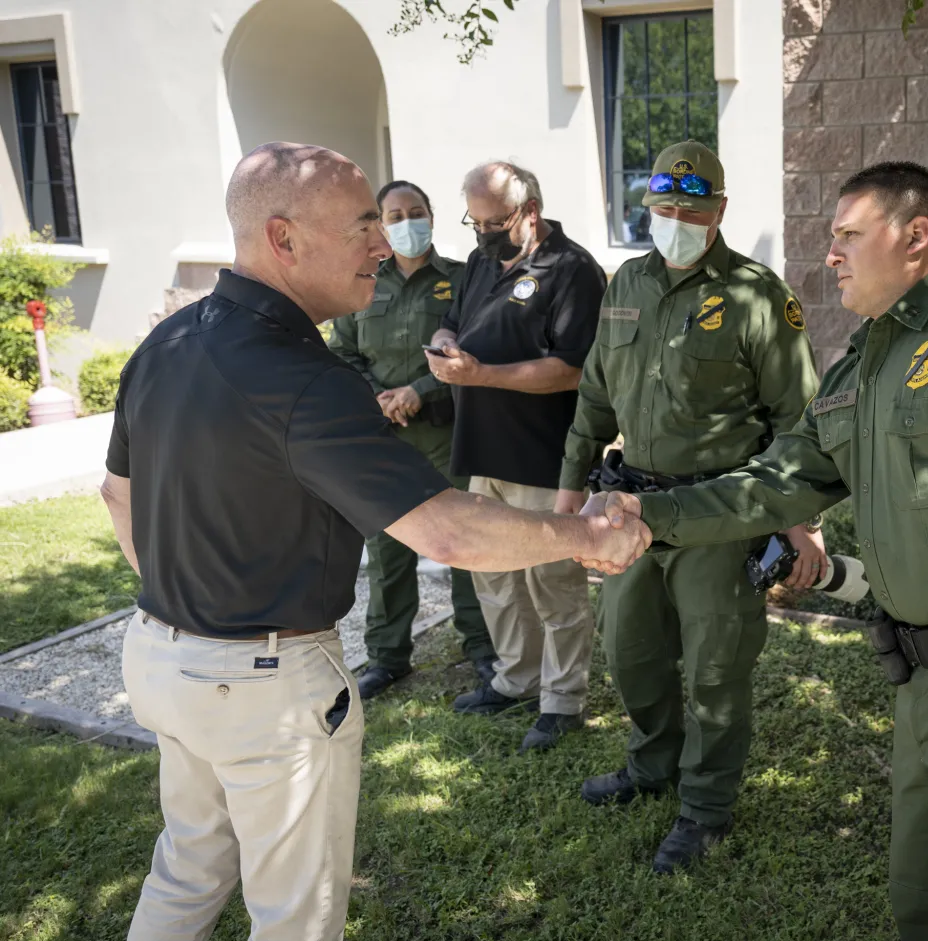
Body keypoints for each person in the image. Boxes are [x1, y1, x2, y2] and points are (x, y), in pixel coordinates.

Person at [101, 142, 649, 941]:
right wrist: (585, 535)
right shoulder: (303, 377)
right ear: (284, 238)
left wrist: (186, 614)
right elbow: (447, 530)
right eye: (363, 224)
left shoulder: (169, 341)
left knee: (187, 867)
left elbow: (117, 493)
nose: (383, 245)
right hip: (261, 687)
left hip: (160, 656)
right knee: (296, 917)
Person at [583, 161, 928, 937]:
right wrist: (648, 510)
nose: (829, 254)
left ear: (915, 239)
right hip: (927, 685)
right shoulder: (857, 369)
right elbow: (771, 486)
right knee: (919, 902)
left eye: (846, 235)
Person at [555, 140, 822, 873]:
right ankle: (652, 765)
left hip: (720, 512)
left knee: (714, 669)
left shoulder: (756, 295)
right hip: (628, 509)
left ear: (720, 212)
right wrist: (568, 493)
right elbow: (594, 398)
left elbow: (799, 418)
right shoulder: (625, 285)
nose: (675, 221)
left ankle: (704, 806)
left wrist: (797, 522)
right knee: (630, 650)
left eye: (692, 210)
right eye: (664, 208)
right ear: (648, 208)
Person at [427, 161, 606, 753]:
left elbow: (572, 369)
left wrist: (482, 375)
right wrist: (447, 345)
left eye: (494, 221)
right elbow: (453, 322)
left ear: (529, 212)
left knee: (553, 580)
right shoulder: (481, 261)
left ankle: (562, 700)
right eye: (473, 221)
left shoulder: (572, 270)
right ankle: (516, 679)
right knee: (494, 575)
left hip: (542, 455)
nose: (482, 233)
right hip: (482, 449)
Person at [328, 179, 495, 698]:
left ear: (432, 215)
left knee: (465, 542)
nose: (406, 223)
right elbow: (343, 354)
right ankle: (387, 656)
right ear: (379, 224)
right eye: (394, 215)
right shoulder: (362, 282)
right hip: (386, 439)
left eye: (415, 211)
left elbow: (477, 343)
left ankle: (482, 648)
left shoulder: (464, 279)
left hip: (450, 435)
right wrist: (379, 396)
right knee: (388, 549)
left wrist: (421, 389)